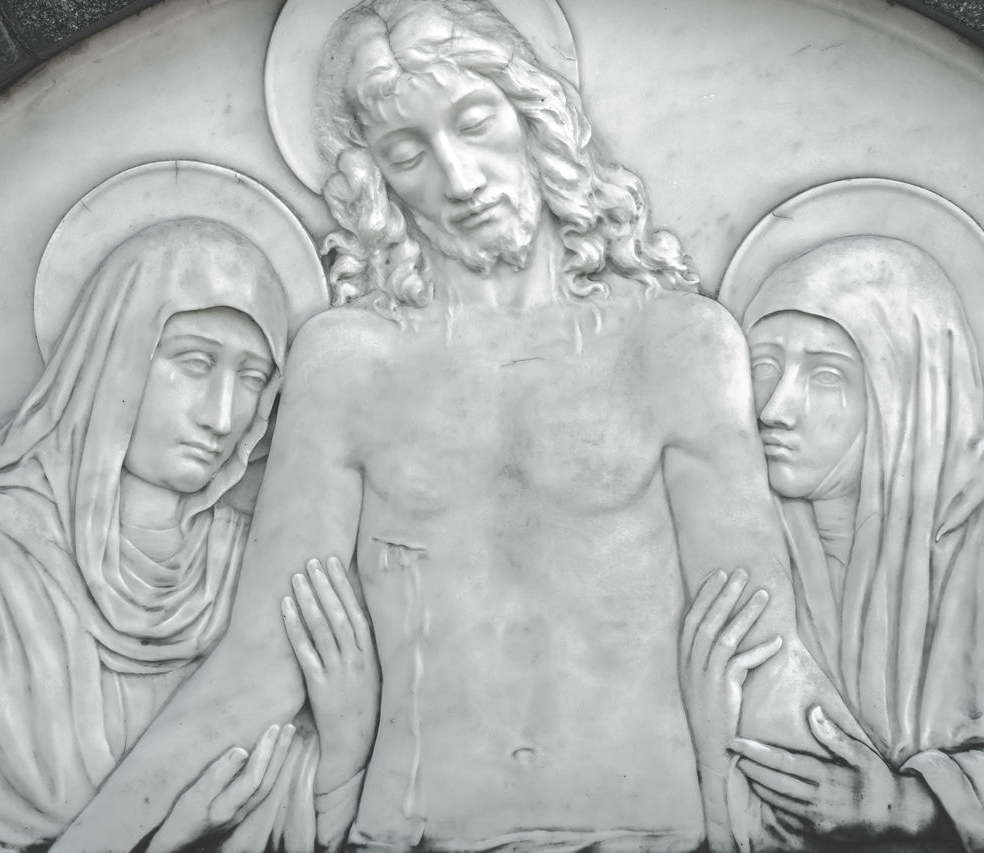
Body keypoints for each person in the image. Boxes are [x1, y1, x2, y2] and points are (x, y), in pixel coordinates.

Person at [59, 3, 866, 851]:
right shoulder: (349, 364)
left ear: (537, 117)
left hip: (641, 832)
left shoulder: (676, 345)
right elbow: (262, 659)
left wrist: (901, 808)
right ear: (374, 180)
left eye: (475, 123)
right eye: (407, 153)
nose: (458, 176)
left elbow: (760, 644)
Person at [0, 218, 373, 852]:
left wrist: (344, 748)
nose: (223, 415)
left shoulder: (247, 575)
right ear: (112, 352)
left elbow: (277, 801)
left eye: (254, 379)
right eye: (195, 363)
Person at [720, 235, 984, 850]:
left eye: (828, 375)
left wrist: (919, 804)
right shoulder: (753, 537)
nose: (775, 408)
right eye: (763, 367)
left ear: (909, 388)